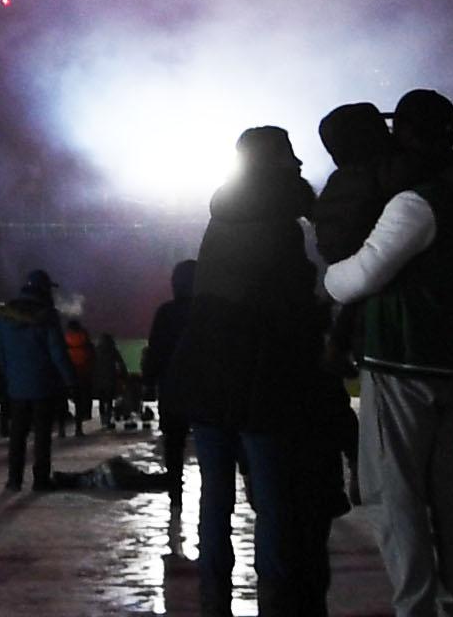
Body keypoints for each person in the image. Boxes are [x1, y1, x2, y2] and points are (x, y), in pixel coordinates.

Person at [320, 87, 453, 617]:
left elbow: (361, 274)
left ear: (410, 133)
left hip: (403, 360)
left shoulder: (417, 203)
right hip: (450, 363)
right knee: (442, 492)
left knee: (392, 493)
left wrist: (327, 281)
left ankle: (414, 605)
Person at [166, 126, 325, 617]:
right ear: (275, 162)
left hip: (208, 370)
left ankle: (213, 599)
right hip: (260, 373)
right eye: (291, 156)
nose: (300, 164)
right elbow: (293, 306)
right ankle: (275, 599)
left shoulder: (220, 219)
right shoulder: (282, 226)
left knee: (215, 496)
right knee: (271, 494)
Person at [0, 268, 74, 490]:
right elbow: (57, 352)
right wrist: (70, 379)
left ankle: (14, 479)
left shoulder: (6, 315)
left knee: (17, 434)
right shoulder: (47, 316)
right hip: (43, 386)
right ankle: (40, 480)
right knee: (42, 436)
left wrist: (9, 375)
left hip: (17, 387)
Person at [146, 259, 197, 532]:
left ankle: (175, 497)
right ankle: (213, 506)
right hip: (204, 390)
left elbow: (155, 350)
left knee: (174, 448)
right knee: (213, 452)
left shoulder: (165, 313)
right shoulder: (206, 311)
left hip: (173, 390)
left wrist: (148, 381)